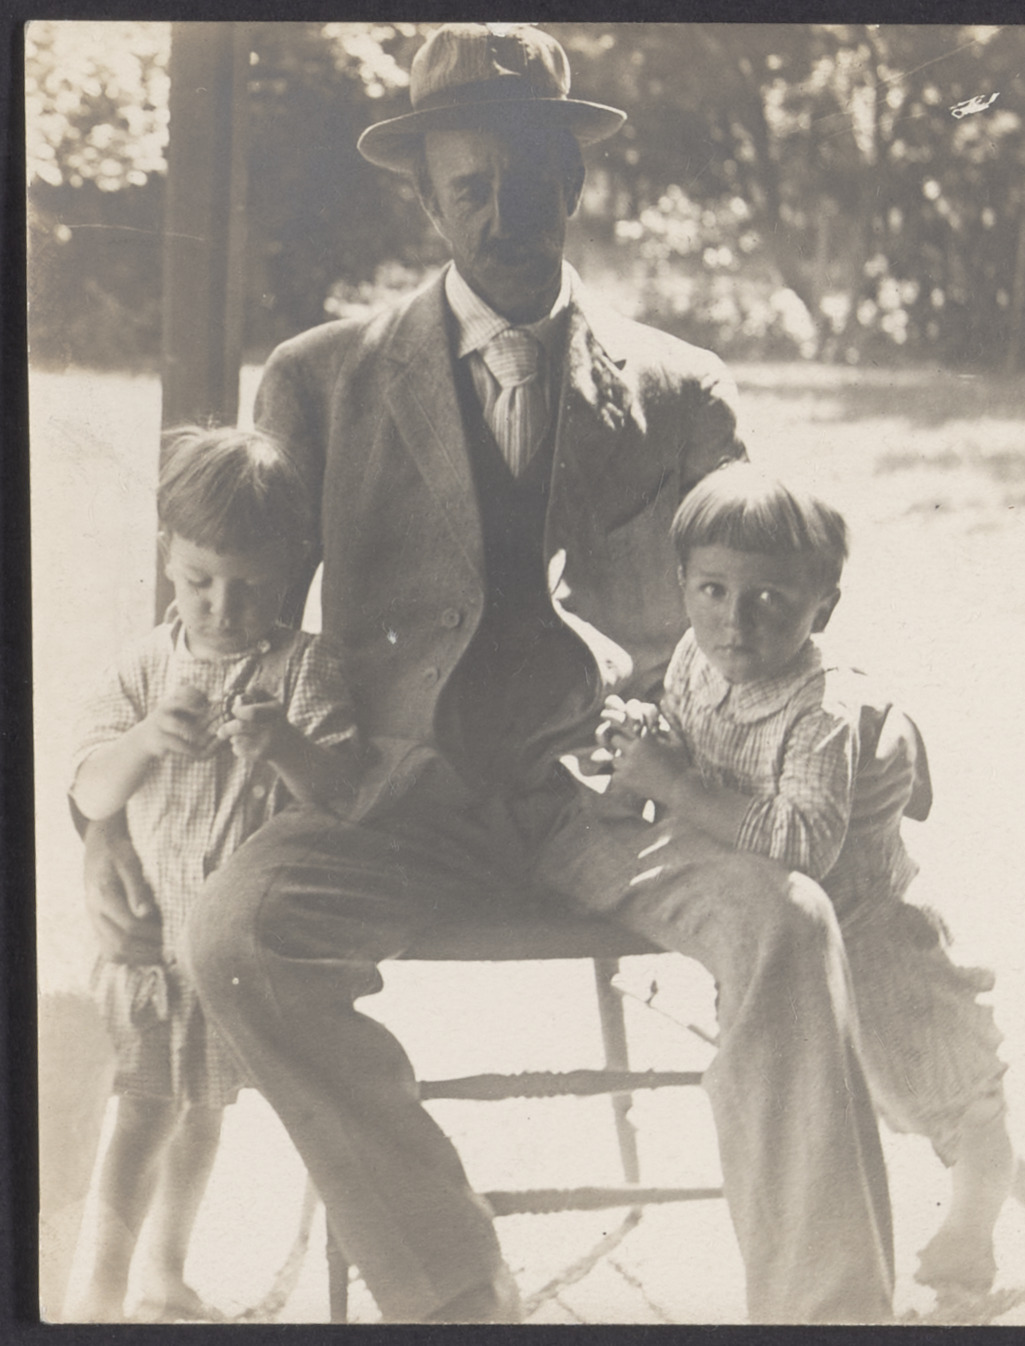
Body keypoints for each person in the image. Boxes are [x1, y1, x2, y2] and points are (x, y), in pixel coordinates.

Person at [81, 24, 899, 1324]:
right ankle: (453, 1285)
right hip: (393, 798)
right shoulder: (320, 379)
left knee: (787, 921)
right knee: (231, 935)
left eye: (529, 181)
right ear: (427, 196)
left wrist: (845, 735)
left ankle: (825, 1310)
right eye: (471, 187)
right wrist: (108, 821)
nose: (504, 214)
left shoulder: (681, 389)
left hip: (621, 802)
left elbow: (775, 605)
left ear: (573, 177)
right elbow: (217, 625)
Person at [597, 462, 1025, 1304]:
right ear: (682, 583)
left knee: (958, 1108)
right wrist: (653, 736)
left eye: (770, 599)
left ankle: (966, 1251)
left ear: (822, 608)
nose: (734, 623)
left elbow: (801, 841)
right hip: (804, 951)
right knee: (904, 1106)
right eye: (713, 590)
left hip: (876, 944)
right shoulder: (695, 657)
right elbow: (693, 739)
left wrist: (673, 786)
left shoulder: (819, 712)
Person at [68, 426, 359, 1322]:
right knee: (140, 1119)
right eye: (199, 582)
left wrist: (286, 747)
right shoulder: (145, 667)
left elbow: (343, 796)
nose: (223, 610)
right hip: (154, 954)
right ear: (167, 556)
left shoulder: (304, 669)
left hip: (233, 956)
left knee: (203, 1114)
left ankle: (164, 1271)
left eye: (250, 588)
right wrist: (145, 739)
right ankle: (96, 1298)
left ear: (291, 571)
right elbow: (89, 787)